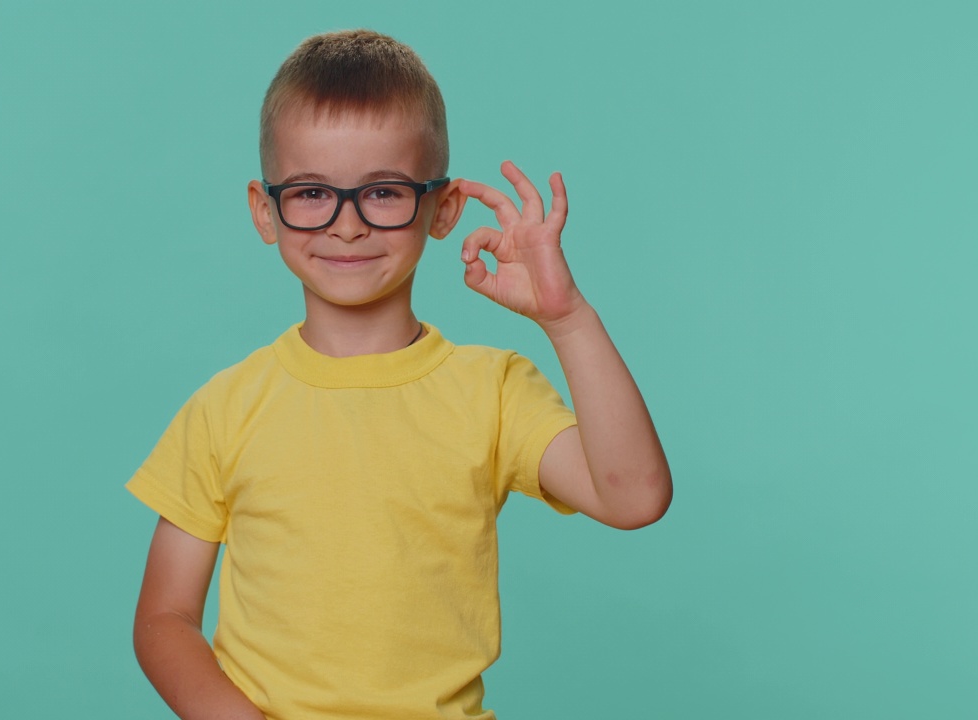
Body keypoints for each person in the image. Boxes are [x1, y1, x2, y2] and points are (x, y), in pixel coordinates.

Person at [126, 29, 672, 720]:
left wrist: (567, 320)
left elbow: (635, 499)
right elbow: (164, 619)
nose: (347, 226)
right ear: (266, 211)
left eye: (382, 192)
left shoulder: (492, 391)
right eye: (310, 193)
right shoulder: (224, 408)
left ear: (442, 210)